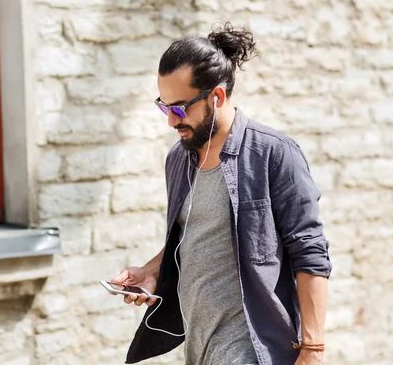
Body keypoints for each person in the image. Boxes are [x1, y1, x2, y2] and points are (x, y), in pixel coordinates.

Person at [110, 22, 332, 365]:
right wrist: (153, 271)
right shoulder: (178, 159)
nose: (171, 120)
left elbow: (310, 253)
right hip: (199, 348)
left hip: (254, 349)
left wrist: (312, 350)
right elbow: (195, 234)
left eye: (180, 108)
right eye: (164, 106)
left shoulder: (274, 153)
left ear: (216, 96)